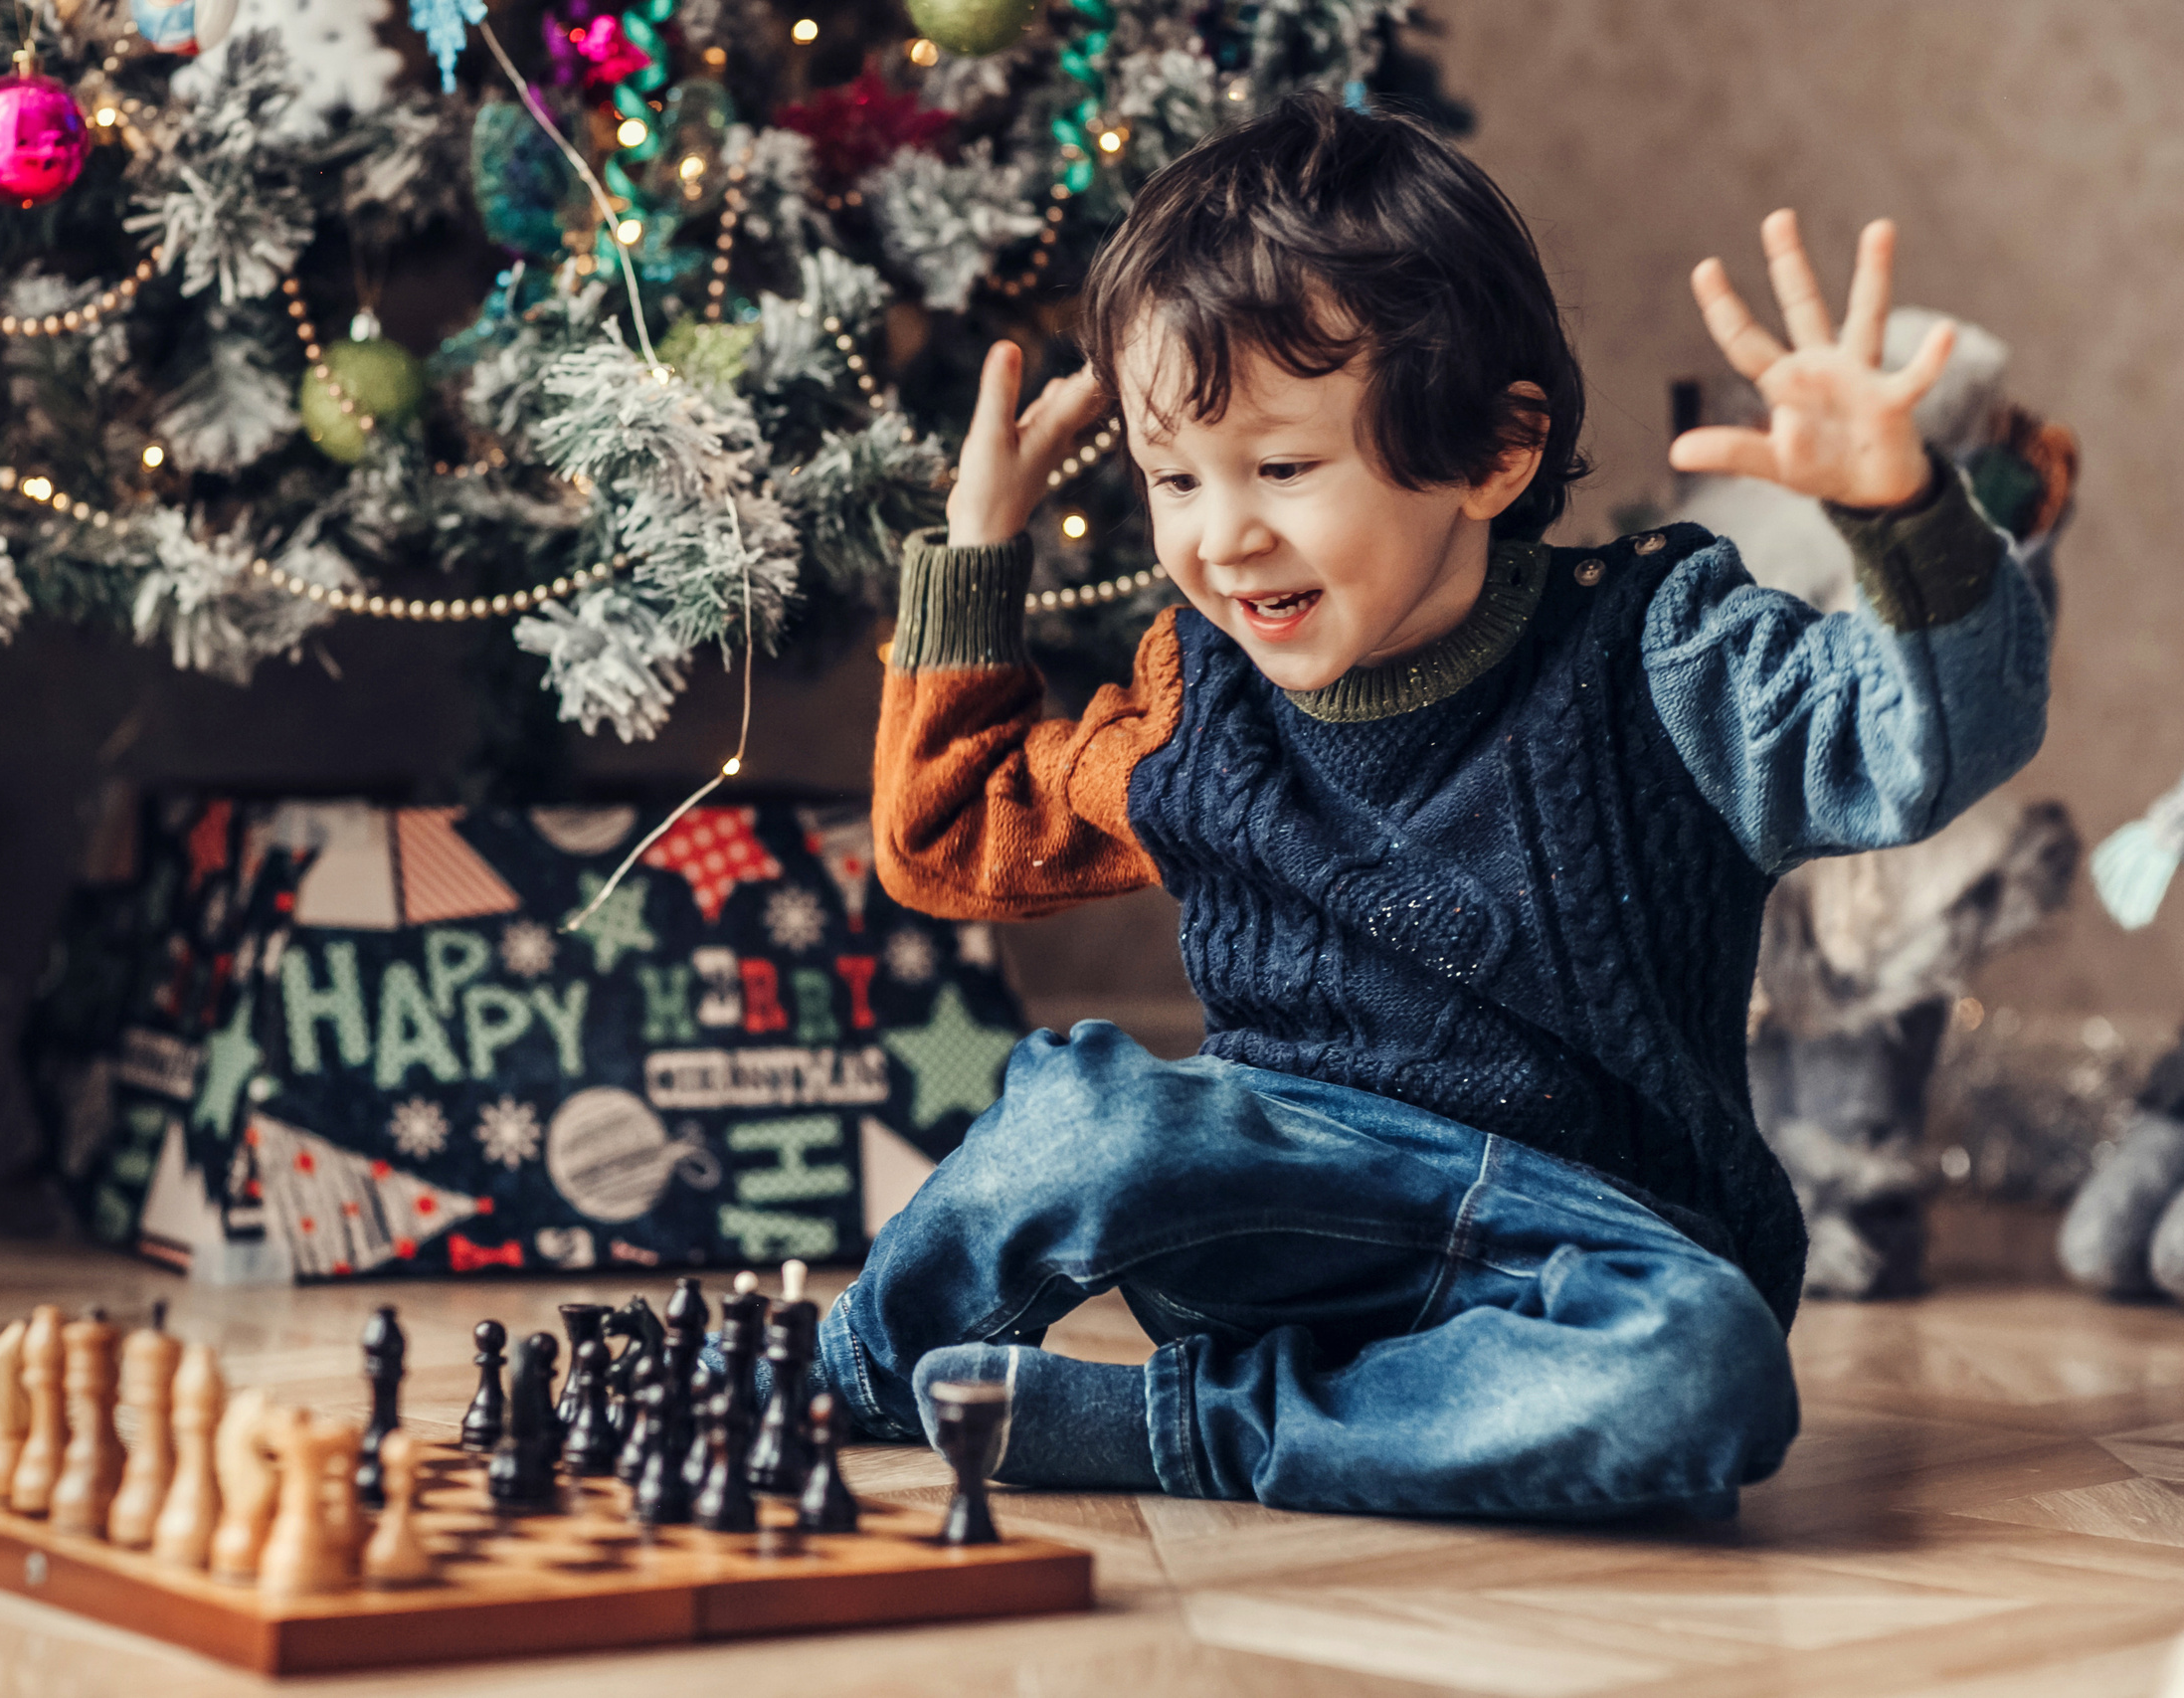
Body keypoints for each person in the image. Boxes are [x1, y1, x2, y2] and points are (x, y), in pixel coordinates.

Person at [819, 92, 2050, 1520]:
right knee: (1091, 1118)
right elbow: (946, 833)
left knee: (1710, 1370)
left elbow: (1929, 744)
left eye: (1282, 467)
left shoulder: (1668, 659)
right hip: (1275, 1212)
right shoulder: (1196, 699)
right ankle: (843, 1371)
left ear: (1496, 452)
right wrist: (977, 553)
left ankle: (1174, 1430)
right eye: (1175, 478)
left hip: (1580, 1250)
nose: (1223, 536)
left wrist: (1901, 512)